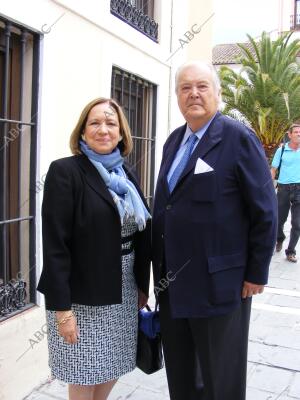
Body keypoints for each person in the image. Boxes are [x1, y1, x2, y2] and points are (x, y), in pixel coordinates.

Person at [152, 61, 277, 400]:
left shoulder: (238, 138)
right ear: (177, 96)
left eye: (202, 86)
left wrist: (256, 273)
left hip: (220, 286)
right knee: (181, 377)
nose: (193, 93)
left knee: (220, 381)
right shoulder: (174, 141)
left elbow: (265, 210)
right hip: (173, 285)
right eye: (185, 87)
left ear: (217, 93)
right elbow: (167, 205)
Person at [37, 97, 151, 400]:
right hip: (81, 296)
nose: (103, 129)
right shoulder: (65, 172)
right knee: (84, 373)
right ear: (83, 132)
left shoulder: (126, 174)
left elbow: (140, 234)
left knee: (114, 365)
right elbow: (55, 246)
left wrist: (142, 285)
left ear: (121, 132)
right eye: (95, 123)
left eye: (111, 123)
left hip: (123, 289)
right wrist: (62, 311)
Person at [271, 123, 300, 262]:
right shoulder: (281, 151)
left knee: (297, 223)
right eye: (296, 132)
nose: (299, 134)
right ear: (289, 135)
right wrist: (269, 188)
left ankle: (291, 251)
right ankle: (279, 238)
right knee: (278, 220)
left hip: (299, 189)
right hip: (283, 188)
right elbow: (273, 169)